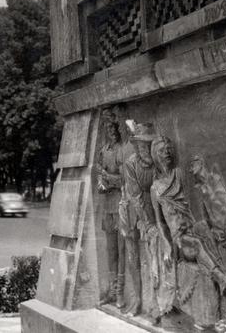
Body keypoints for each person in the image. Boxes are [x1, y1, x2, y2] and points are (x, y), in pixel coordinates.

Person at [150, 136, 226, 326]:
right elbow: (160, 223)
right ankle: (221, 277)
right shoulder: (155, 188)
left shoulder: (179, 174)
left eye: (169, 149)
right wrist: (167, 245)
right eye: (161, 150)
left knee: (205, 232)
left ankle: (223, 275)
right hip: (179, 240)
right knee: (197, 243)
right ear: (155, 156)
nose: (167, 153)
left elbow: (196, 200)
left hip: (192, 229)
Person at [118, 122, 157, 316]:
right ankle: (137, 299)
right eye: (142, 146)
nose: (146, 149)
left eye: (148, 145)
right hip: (133, 213)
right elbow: (135, 196)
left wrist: (153, 221)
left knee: (152, 257)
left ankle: (155, 302)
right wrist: (147, 223)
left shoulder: (157, 162)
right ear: (136, 147)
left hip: (154, 210)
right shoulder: (130, 164)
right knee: (133, 258)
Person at [95, 109, 128, 306]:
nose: (112, 131)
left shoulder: (121, 151)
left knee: (122, 251)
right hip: (108, 207)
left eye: (114, 127)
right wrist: (101, 182)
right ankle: (112, 290)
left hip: (121, 207)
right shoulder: (104, 151)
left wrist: (107, 178)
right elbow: (99, 175)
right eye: (108, 127)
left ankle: (121, 292)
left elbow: (125, 180)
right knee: (111, 252)